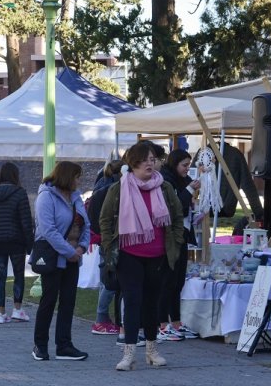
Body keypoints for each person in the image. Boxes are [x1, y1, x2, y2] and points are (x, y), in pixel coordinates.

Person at [100, 141, 183, 371]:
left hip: (158, 256)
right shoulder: (119, 188)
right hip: (129, 255)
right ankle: (129, 353)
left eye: (153, 159)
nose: (150, 163)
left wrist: (174, 244)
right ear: (133, 163)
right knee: (133, 302)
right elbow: (105, 220)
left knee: (152, 304)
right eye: (145, 159)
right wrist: (110, 246)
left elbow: (177, 218)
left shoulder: (164, 187)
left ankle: (151, 350)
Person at [31, 161, 90, 361]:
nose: (79, 181)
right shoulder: (46, 197)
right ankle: (40, 345)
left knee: (68, 301)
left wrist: (82, 246)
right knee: (48, 301)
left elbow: (85, 224)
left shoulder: (75, 197)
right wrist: (68, 251)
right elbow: (48, 230)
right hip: (54, 257)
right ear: (67, 177)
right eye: (76, 176)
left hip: (73, 257)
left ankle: (64, 345)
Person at [0, 162, 34, 324]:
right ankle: (17, 310)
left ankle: (0, 314)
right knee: (18, 275)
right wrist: (30, 244)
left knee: (0, 277)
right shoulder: (20, 193)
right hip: (16, 241)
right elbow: (26, 222)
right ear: (15, 176)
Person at [158, 149, 201, 341]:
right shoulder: (166, 180)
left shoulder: (181, 180)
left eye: (189, 165)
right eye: (184, 165)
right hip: (170, 235)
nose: (187, 169)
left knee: (178, 281)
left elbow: (184, 205)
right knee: (167, 280)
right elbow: (174, 205)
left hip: (182, 232)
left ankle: (175, 322)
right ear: (174, 163)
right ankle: (161, 324)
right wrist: (191, 190)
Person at [89, 160, 124, 336]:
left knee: (108, 280)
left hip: (104, 238)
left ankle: (103, 319)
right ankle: (101, 319)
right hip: (109, 240)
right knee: (110, 281)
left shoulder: (100, 185)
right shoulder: (112, 190)